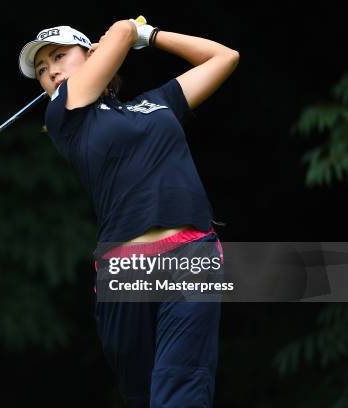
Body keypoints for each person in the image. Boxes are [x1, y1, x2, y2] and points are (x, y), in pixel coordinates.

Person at [18, 16, 239, 407]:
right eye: (40, 68)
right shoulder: (66, 113)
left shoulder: (156, 104)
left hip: (192, 254)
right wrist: (124, 37)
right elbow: (121, 29)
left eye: (58, 56)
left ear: (89, 55)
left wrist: (151, 36)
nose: (49, 70)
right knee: (141, 395)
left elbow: (224, 57)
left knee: (181, 388)